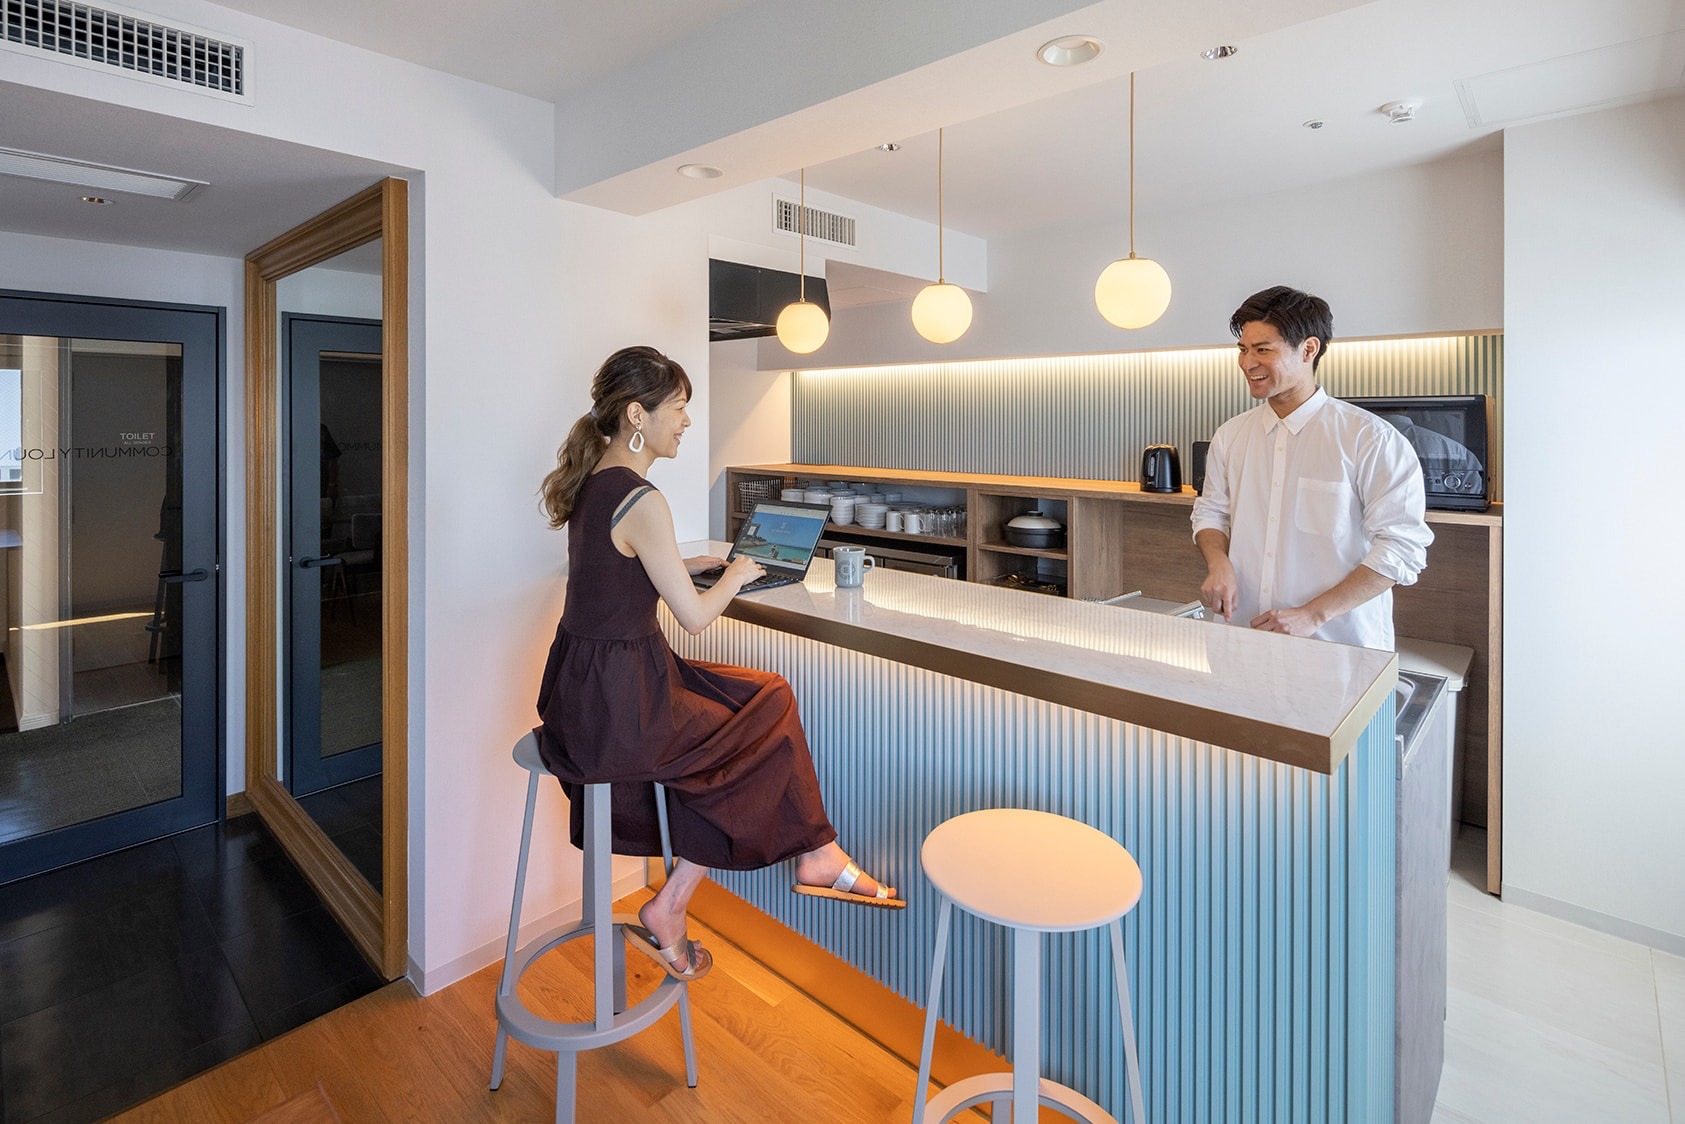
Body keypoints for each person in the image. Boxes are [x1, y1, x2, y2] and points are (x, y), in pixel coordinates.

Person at [535, 346, 903, 983]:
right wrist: (735, 573)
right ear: (637, 416)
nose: (686, 422)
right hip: (622, 705)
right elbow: (695, 618)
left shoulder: (596, 482)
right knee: (757, 724)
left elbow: (616, 568)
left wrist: (685, 566)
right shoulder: (641, 499)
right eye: (678, 409)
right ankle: (707, 892)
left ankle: (809, 854)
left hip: (586, 691)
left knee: (765, 695)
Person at [1190, 286, 1433, 649]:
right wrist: (1218, 562)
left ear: (1308, 349)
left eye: (1262, 350)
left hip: (1337, 647)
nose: (1247, 363)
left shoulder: (1371, 439)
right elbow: (1211, 512)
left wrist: (1313, 615)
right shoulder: (1230, 436)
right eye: (1243, 349)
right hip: (1241, 636)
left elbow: (1402, 548)